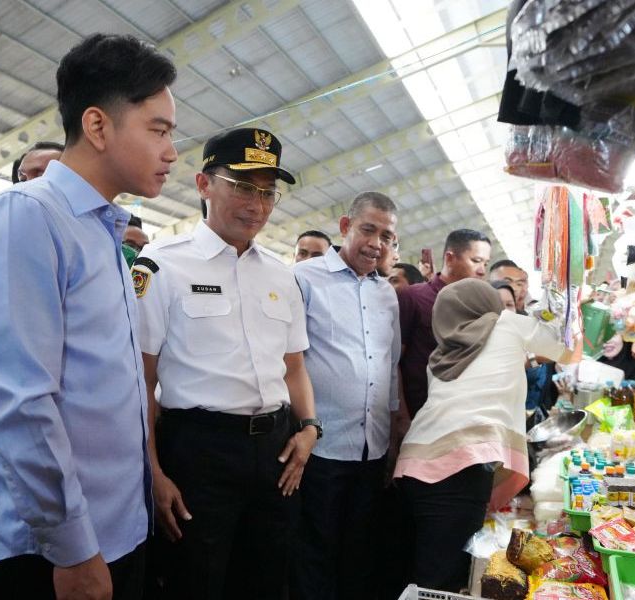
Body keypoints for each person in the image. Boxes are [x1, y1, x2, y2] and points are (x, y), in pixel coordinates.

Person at [0, 34, 178, 600]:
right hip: (50, 553)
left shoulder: (102, 232)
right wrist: (73, 548)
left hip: (117, 530)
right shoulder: (27, 219)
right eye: (158, 129)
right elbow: (23, 401)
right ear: (99, 126)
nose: (172, 151)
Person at [134, 127, 318, 600]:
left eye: (267, 191)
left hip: (276, 452)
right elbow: (140, 378)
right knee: (197, 579)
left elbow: (293, 366)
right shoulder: (162, 265)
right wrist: (152, 471)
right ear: (203, 184)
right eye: (241, 186)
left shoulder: (282, 275)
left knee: (267, 579)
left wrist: (310, 429)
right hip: (200, 452)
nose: (256, 203)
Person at [394, 279, 564, 591]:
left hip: (413, 467)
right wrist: (558, 308)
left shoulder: (441, 357)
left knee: (421, 569)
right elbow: (566, 350)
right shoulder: (508, 325)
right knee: (442, 580)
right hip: (460, 469)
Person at [290, 191, 400, 600]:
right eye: (368, 230)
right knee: (314, 549)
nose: (376, 243)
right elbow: (289, 360)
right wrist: (303, 426)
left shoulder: (386, 293)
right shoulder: (305, 278)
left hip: (371, 447)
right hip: (321, 446)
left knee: (358, 550)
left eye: (387, 236)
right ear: (344, 227)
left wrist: (393, 436)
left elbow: (390, 366)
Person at [397, 228, 491, 419]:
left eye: (486, 263)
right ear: (449, 258)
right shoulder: (413, 297)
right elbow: (394, 363)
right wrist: (401, 418)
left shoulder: (479, 308)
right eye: (476, 261)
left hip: (463, 414)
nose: (482, 270)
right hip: (420, 414)